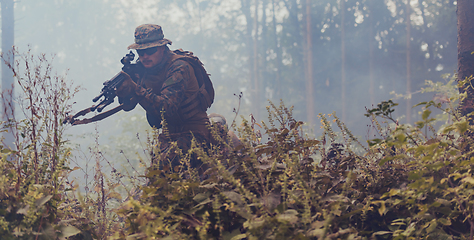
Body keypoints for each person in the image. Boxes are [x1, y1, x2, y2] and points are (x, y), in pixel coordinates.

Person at [115, 24, 214, 172]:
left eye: (150, 50)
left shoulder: (179, 67)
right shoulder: (144, 69)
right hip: (169, 136)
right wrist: (125, 91)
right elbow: (128, 106)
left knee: (162, 167)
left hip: (195, 133)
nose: (144, 57)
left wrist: (136, 88)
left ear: (162, 47)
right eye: (140, 52)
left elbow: (166, 108)